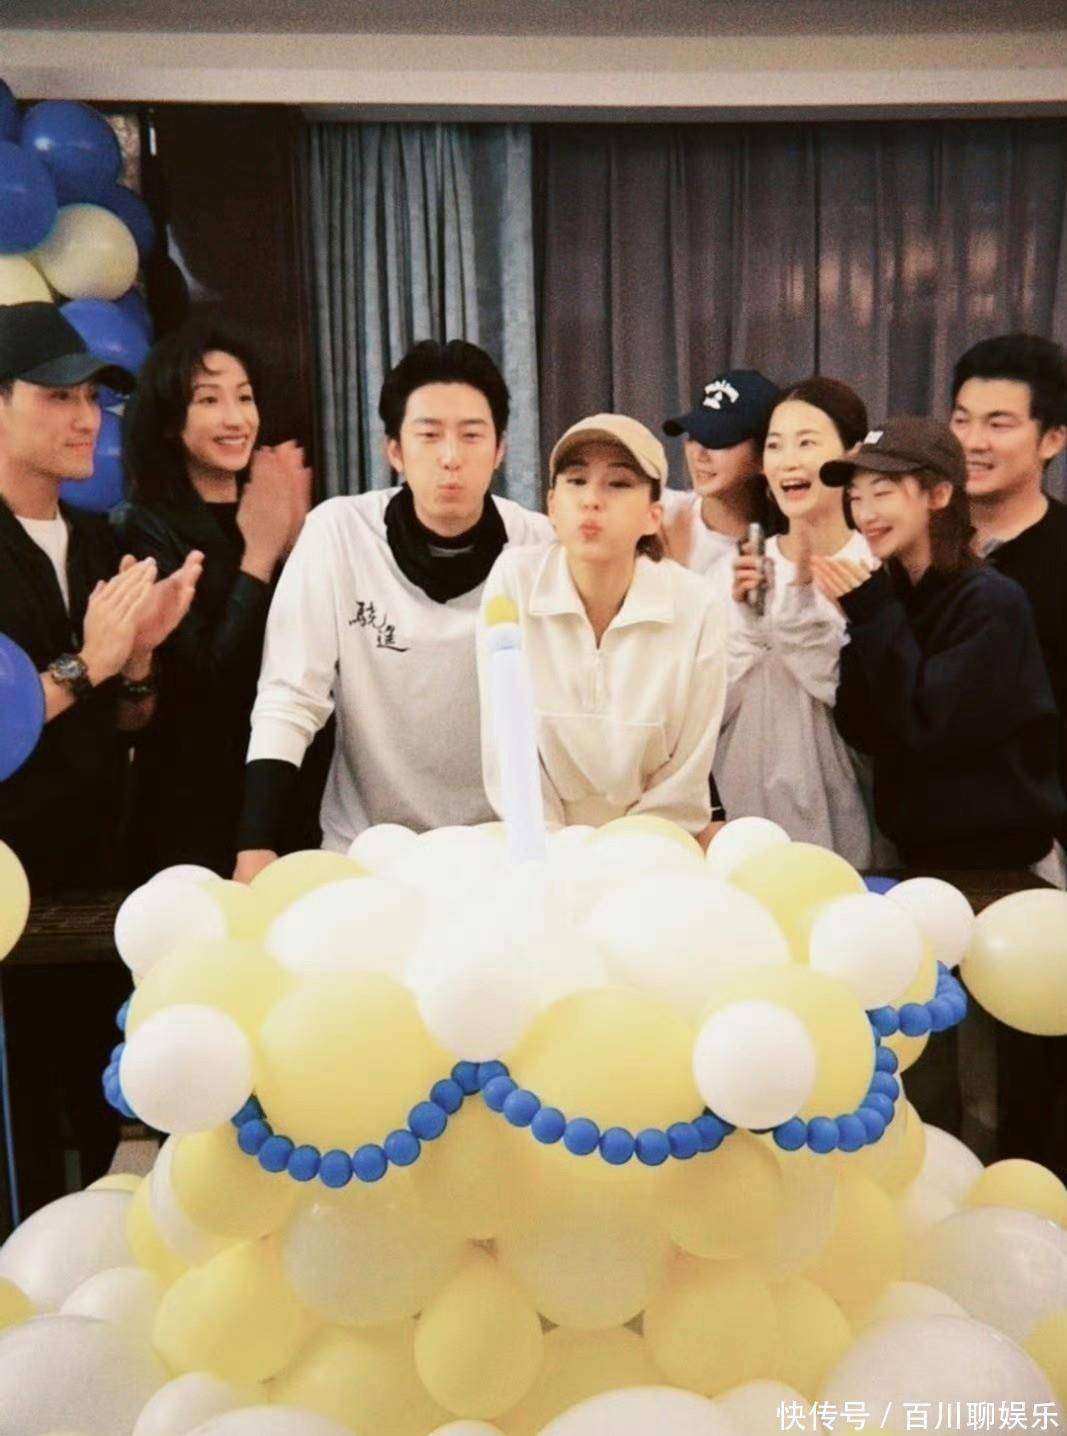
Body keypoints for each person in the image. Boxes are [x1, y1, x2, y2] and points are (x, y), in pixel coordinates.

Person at [234, 339, 552, 878]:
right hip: (366, 851)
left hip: (501, 849)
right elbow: (289, 697)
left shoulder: (538, 545)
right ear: (395, 451)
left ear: (500, 449)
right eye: (429, 435)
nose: (450, 456)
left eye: (471, 435)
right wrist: (255, 848)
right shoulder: (339, 532)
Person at [0, 303, 202, 894]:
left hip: (100, 870)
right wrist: (89, 664)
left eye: (92, 397)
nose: (88, 419)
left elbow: (126, 721)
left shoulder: (100, 542)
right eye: (59, 397)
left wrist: (137, 658)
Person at [815, 416, 1064, 875]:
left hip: (1000, 868)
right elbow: (862, 728)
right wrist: (864, 618)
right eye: (855, 497)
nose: (865, 514)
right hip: (917, 859)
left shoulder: (990, 601)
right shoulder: (889, 598)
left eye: (882, 493)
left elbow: (928, 727)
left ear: (939, 495)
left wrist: (873, 614)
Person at [112, 319, 311, 880]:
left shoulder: (270, 503)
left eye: (244, 398)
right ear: (169, 421)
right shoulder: (142, 524)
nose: (236, 418)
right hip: (192, 801)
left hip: (284, 785)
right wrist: (261, 553)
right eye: (209, 400)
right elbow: (202, 687)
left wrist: (298, 543)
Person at [477, 414, 727, 840]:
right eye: (576, 481)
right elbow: (508, 751)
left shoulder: (697, 605)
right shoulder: (513, 581)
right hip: (540, 848)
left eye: (618, 484)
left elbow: (684, 780)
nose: (591, 500)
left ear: (653, 516)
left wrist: (623, 855)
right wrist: (552, 852)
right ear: (552, 505)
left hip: (655, 848)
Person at [715, 377, 876, 867]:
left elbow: (868, 706)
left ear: (851, 455)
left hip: (847, 817)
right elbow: (706, 707)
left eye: (807, 443)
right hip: (746, 812)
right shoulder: (733, 568)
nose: (788, 461)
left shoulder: (873, 563)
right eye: (775, 445)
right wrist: (744, 619)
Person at [950, 334, 1067, 852]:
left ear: (1052, 439)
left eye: (999, 424)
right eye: (961, 420)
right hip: (914, 837)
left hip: (1039, 845)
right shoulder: (911, 542)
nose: (973, 442)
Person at [659, 368, 782, 576]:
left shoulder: (784, 552)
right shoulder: (656, 515)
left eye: (718, 439)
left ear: (764, 456)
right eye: (694, 435)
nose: (700, 454)